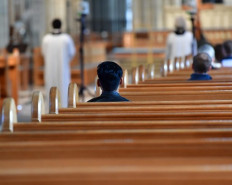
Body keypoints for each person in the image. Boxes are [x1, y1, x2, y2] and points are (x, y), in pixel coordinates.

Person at [42, 19, 76, 107]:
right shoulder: (66, 38)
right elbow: (72, 52)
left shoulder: (46, 39)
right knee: (63, 87)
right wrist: (65, 60)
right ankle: (64, 107)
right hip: (63, 68)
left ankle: (50, 108)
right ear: (61, 26)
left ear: (52, 25)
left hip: (50, 68)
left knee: (50, 86)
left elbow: (44, 52)